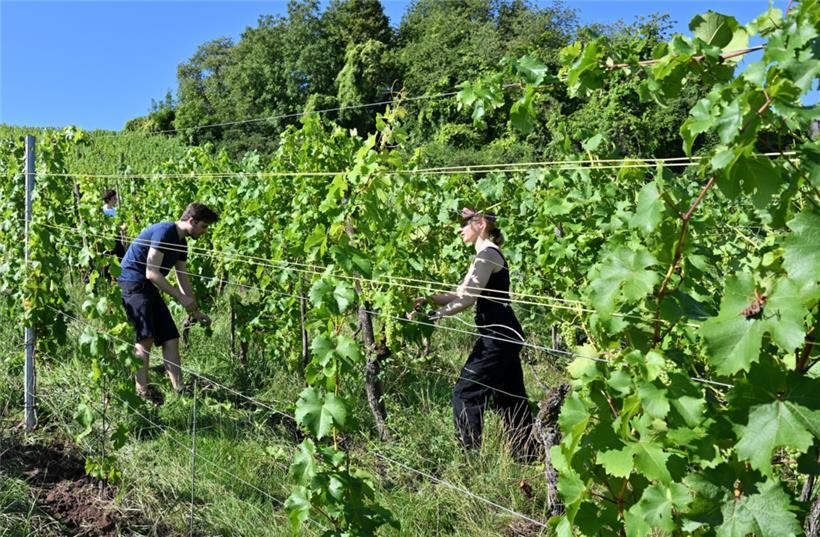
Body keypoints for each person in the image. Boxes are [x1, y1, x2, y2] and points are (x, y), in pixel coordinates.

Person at [414, 207, 534, 456]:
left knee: (466, 393)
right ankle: (526, 453)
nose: (460, 229)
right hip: (505, 334)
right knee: (509, 397)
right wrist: (426, 299)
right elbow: (459, 293)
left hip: (498, 336)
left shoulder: (487, 255)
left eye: (465, 224)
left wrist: (435, 315)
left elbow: (467, 299)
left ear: (480, 225)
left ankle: (468, 457)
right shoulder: (484, 255)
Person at [118, 202, 218, 402]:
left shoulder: (181, 243)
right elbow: (151, 272)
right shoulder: (165, 232)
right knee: (145, 337)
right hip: (132, 282)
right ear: (191, 221)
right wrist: (181, 298)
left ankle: (180, 390)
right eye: (203, 226)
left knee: (170, 337)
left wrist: (195, 311)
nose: (205, 232)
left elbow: (183, 277)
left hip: (148, 286)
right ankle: (142, 392)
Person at [101, 189, 126, 260]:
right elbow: (108, 226)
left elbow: (118, 223)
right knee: (110, 258)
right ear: (108, 199)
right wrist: (120, 227)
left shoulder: (115, 210)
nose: (116, 199)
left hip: (117, 237)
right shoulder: (104, 211)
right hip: (109, 239)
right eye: (114, 198)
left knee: (121, 257)